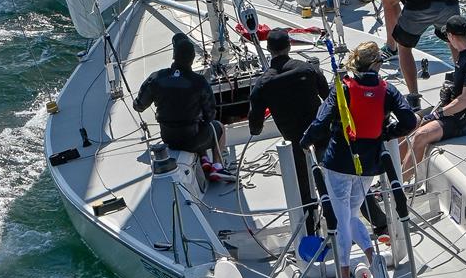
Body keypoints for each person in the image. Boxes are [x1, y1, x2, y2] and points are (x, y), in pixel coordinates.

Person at [302, 41, 417, 278]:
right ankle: (372, 260)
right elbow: (410, 120)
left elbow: (320, 122)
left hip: (339, 162)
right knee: (351, 216)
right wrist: (387, 133)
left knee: (342, 221)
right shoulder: (388, 90)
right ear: (376, 65)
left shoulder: (342, 89)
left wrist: (305, 142)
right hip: (369, 164)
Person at [248, 29, 329, 235]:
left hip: (296, 142)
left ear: (268, 50)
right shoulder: (308, 69)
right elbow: (328, 97)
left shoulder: (263, 83)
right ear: (289, 46)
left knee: (305, 189)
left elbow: (255, 126)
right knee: (331, 179)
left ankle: (311, 231)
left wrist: (258, 126)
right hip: (321, 133)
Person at [134, 32, 226, 177]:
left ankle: (204, 158)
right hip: (192, 140)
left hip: (169, 138)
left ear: (173, 57)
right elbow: (210, 114)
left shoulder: (156, 78)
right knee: (218, 127)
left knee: (196, 124)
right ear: (192, 59)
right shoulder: (199, 82)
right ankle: (217, 165)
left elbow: (138, 106)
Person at [410, 15, 466, 165]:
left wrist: (438, 114)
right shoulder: (463, 54)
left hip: (465, 118)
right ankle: (393, 177)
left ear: (452, 36)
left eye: (447, 35)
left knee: (421, 135)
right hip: (452, 109)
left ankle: (401, 185)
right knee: (409, 122)